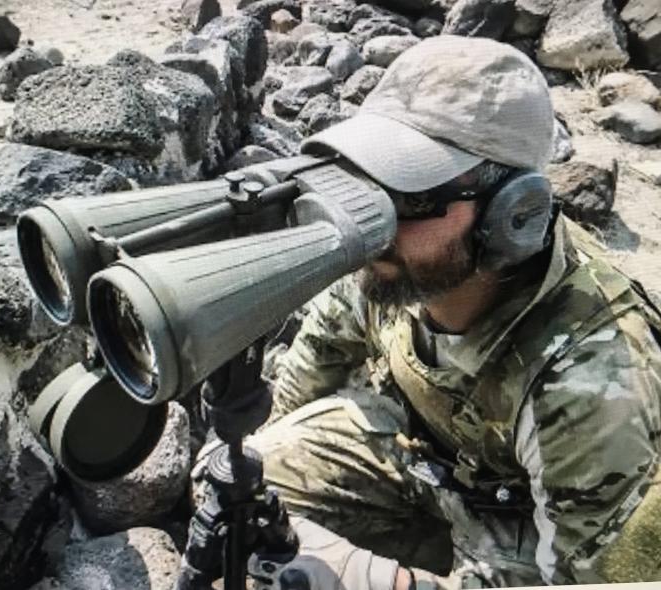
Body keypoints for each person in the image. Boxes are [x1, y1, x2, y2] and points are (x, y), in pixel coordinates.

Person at [240, 35, 661, 589]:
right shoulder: (395, 260)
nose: (374, 218)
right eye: (364, 180)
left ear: (512, 213)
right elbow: (322, 347)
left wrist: (381, 581)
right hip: (426, 457)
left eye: (413, 196)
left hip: (526, 521)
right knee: (240, 486)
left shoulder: (591, 385)